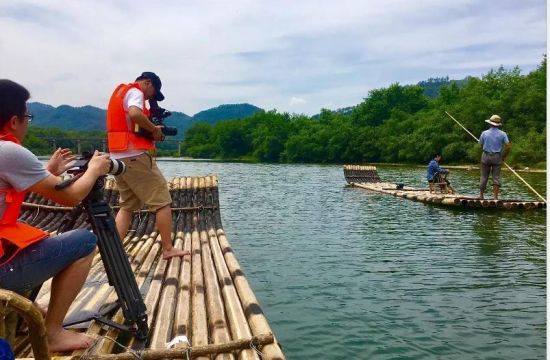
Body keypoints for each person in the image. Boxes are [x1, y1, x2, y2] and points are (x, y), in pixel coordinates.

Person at [0, 79, 112, 352]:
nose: (28, 123)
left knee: (28, 236)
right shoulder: (9, 151)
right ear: (14, 121)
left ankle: (28, 304)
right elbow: (71, 195)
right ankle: (52, 333)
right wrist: (95, 169)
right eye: (27, 117)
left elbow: (7, 193)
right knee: (84, 241)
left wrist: (47, 170)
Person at [106, 72, 188, 259]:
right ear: (147, 83)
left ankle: (115, 250)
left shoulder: (121, 93)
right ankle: (168, 249)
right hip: (135, 156)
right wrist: (153, 130)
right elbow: (135, 113)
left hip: (118, 157)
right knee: (162, 201)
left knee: (127, 205)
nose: (150, 98)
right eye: (153, 93)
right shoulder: (136, 93)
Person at [479, 114, 511, 200]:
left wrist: (485, 148)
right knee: (496, 177)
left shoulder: (484, 133)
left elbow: (481, 146)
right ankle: (495, 197)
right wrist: (503, 156)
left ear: (490, 123)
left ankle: (481, 196)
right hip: (497, 157)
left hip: (485, 156)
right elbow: (508, 146)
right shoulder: (503, 134)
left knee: (484, 176)